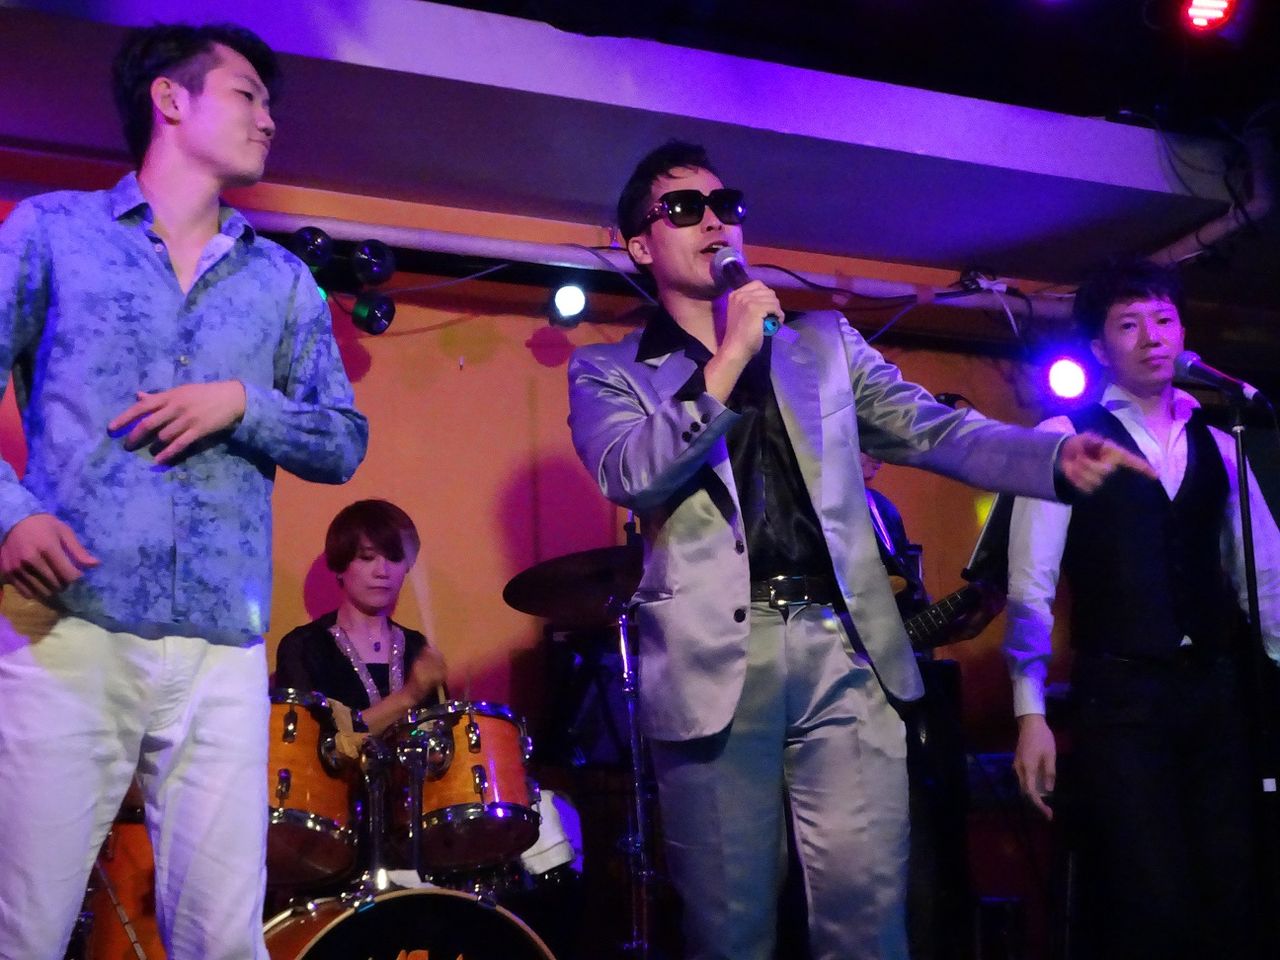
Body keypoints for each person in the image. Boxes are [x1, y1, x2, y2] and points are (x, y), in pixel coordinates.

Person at [566, 140, 1153, 960]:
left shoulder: (822, 345)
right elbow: (632, 472)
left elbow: (932, 429)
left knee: (868, 921)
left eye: (725, 205)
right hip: (711, 662)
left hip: (843, 650)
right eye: (684, 209)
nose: (714, 222)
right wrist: (730, 357)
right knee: (729, 933)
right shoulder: (607, 371)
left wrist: (1049, 457)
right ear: (639, 245)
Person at [0, 23, 367, 960]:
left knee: (223, 941)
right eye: (248, 94)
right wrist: (9, 518)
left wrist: (244, 403)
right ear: (170, 97)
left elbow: (343, 440)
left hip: (222, 647)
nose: (269, 118)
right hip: (72, 621)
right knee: (23, 926)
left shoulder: (283, 280)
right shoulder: (53, 231)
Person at [1002, 259, 1280, 959]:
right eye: (1129, 324)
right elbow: (1031, 585)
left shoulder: (1221, 440)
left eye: (1164, 319)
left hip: (1216, 691)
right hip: (1120, 695)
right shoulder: (1065, 435)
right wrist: (1029, 714)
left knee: (1233, 886)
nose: (1153, 337)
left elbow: (1265, 576)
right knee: (1148, 896)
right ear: (1100, 348)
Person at [275, 498, 446, 739]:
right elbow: (312, 744)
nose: (382, 572)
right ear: (339, 566)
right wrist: (409, 695)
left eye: (395, 558)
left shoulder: (418, 648)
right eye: (367, 557)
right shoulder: (304, 647)